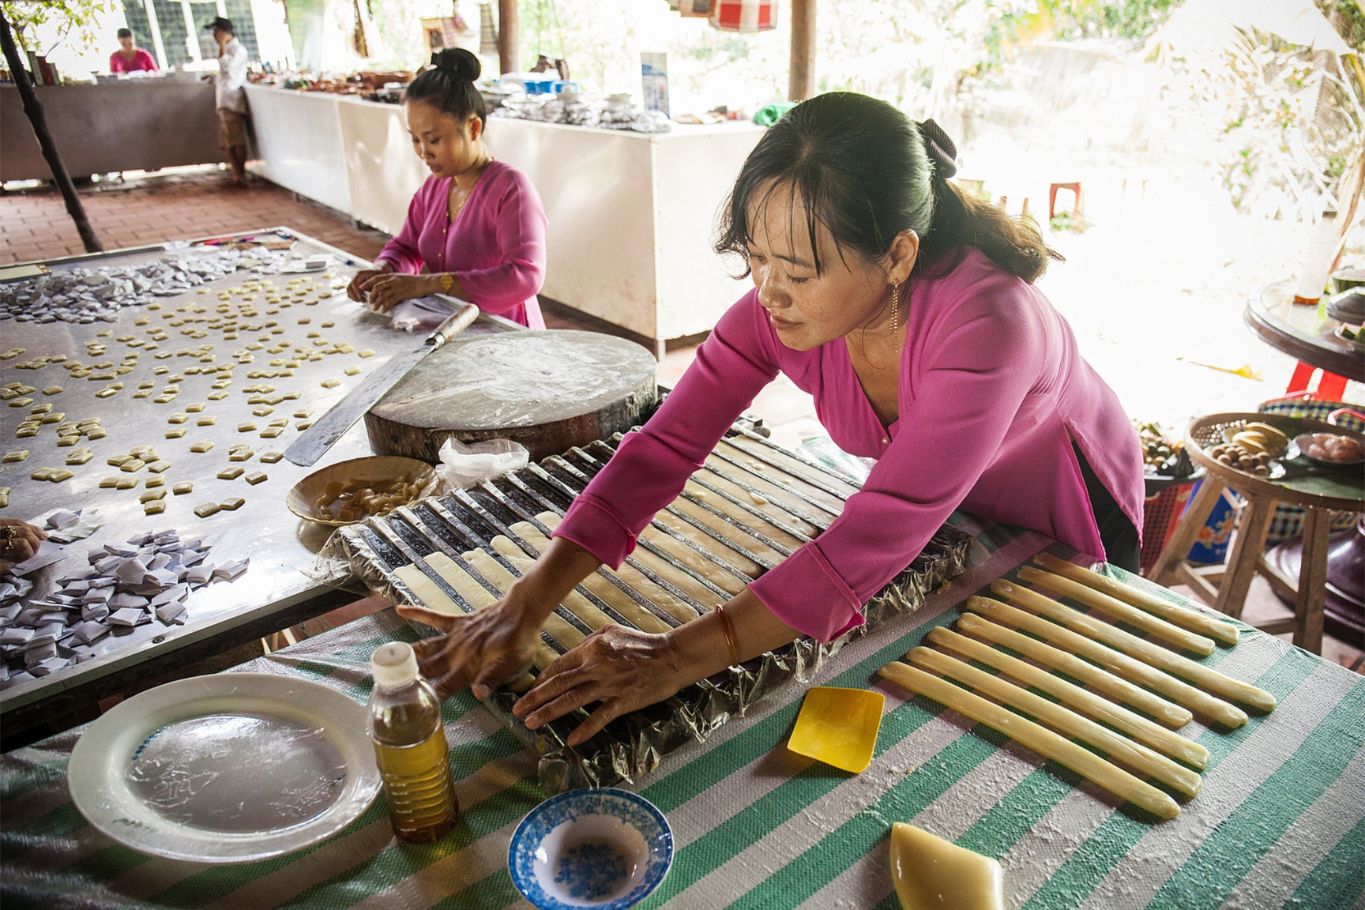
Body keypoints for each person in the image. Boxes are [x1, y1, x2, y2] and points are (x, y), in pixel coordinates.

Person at [400, 92, 1145, 747]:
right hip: (945, 509)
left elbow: (872, 533)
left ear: (895, 255)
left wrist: (672, 657)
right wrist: (526, 602)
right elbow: (663, 448)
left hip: (1059, 504)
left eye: (798, 271)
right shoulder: (777, 311)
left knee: (1039, 696)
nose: (770, 294)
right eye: (755, 261)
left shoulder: (988, 325)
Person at [346, 48, 547, 328]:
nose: (423, 152)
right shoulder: (434, 188)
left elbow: (525, 276)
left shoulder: (511, 189)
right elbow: (406, 247)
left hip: (504, 335)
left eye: (434, 139)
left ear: (473, 128)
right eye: (415, 140)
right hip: (451, 329)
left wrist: (429, 283)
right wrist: (383, 270)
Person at [204, 17, 249, 187]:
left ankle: (241, 174)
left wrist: (222, 46)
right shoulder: (229, 49)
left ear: (225, 32)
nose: (214, 36)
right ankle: (236, 173)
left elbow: (228, 69)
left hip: (232, 101)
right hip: (223, 100)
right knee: (227, 142)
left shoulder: (238, 50)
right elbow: (224, 74)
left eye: (216, 32)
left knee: (236, 139)